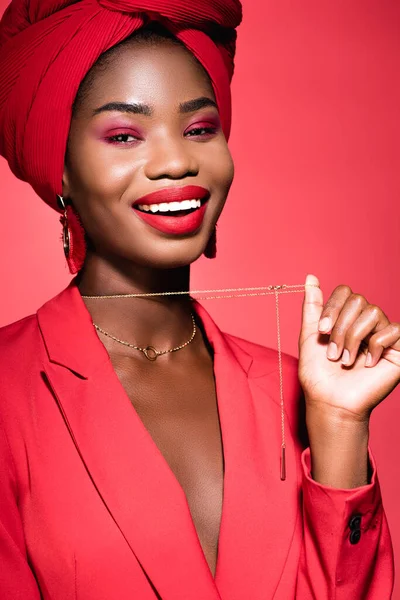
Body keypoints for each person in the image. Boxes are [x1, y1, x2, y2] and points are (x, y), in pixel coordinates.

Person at [0, 1, 398, 599]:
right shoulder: (8, 391)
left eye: (200, 129)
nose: (178, 162)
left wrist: (341, 426)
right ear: (60, 168)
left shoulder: (296, 390)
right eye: (125, 135)